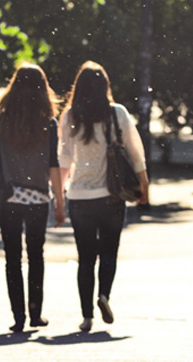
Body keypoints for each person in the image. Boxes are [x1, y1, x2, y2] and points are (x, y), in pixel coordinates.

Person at [59, 61, 149, 332]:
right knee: (109, 252)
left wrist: (60, 200)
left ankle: (87, 316)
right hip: (111, 196)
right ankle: (104, 296)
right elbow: (136, 153)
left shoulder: (70, 116)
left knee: (85, 257)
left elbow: (63, 159)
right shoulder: (117, 114)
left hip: (79, 197)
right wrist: (144, 187)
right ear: (105, 86)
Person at [0, 64, 66, 333]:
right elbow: (54, 165)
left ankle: (17, 317)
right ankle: (35, 314)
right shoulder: (49, 123)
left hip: (8, 198)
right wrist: (60, 202)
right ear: (43, 89)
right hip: (39, 199)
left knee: (12, 258)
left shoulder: (2, 120)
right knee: (36, 256)